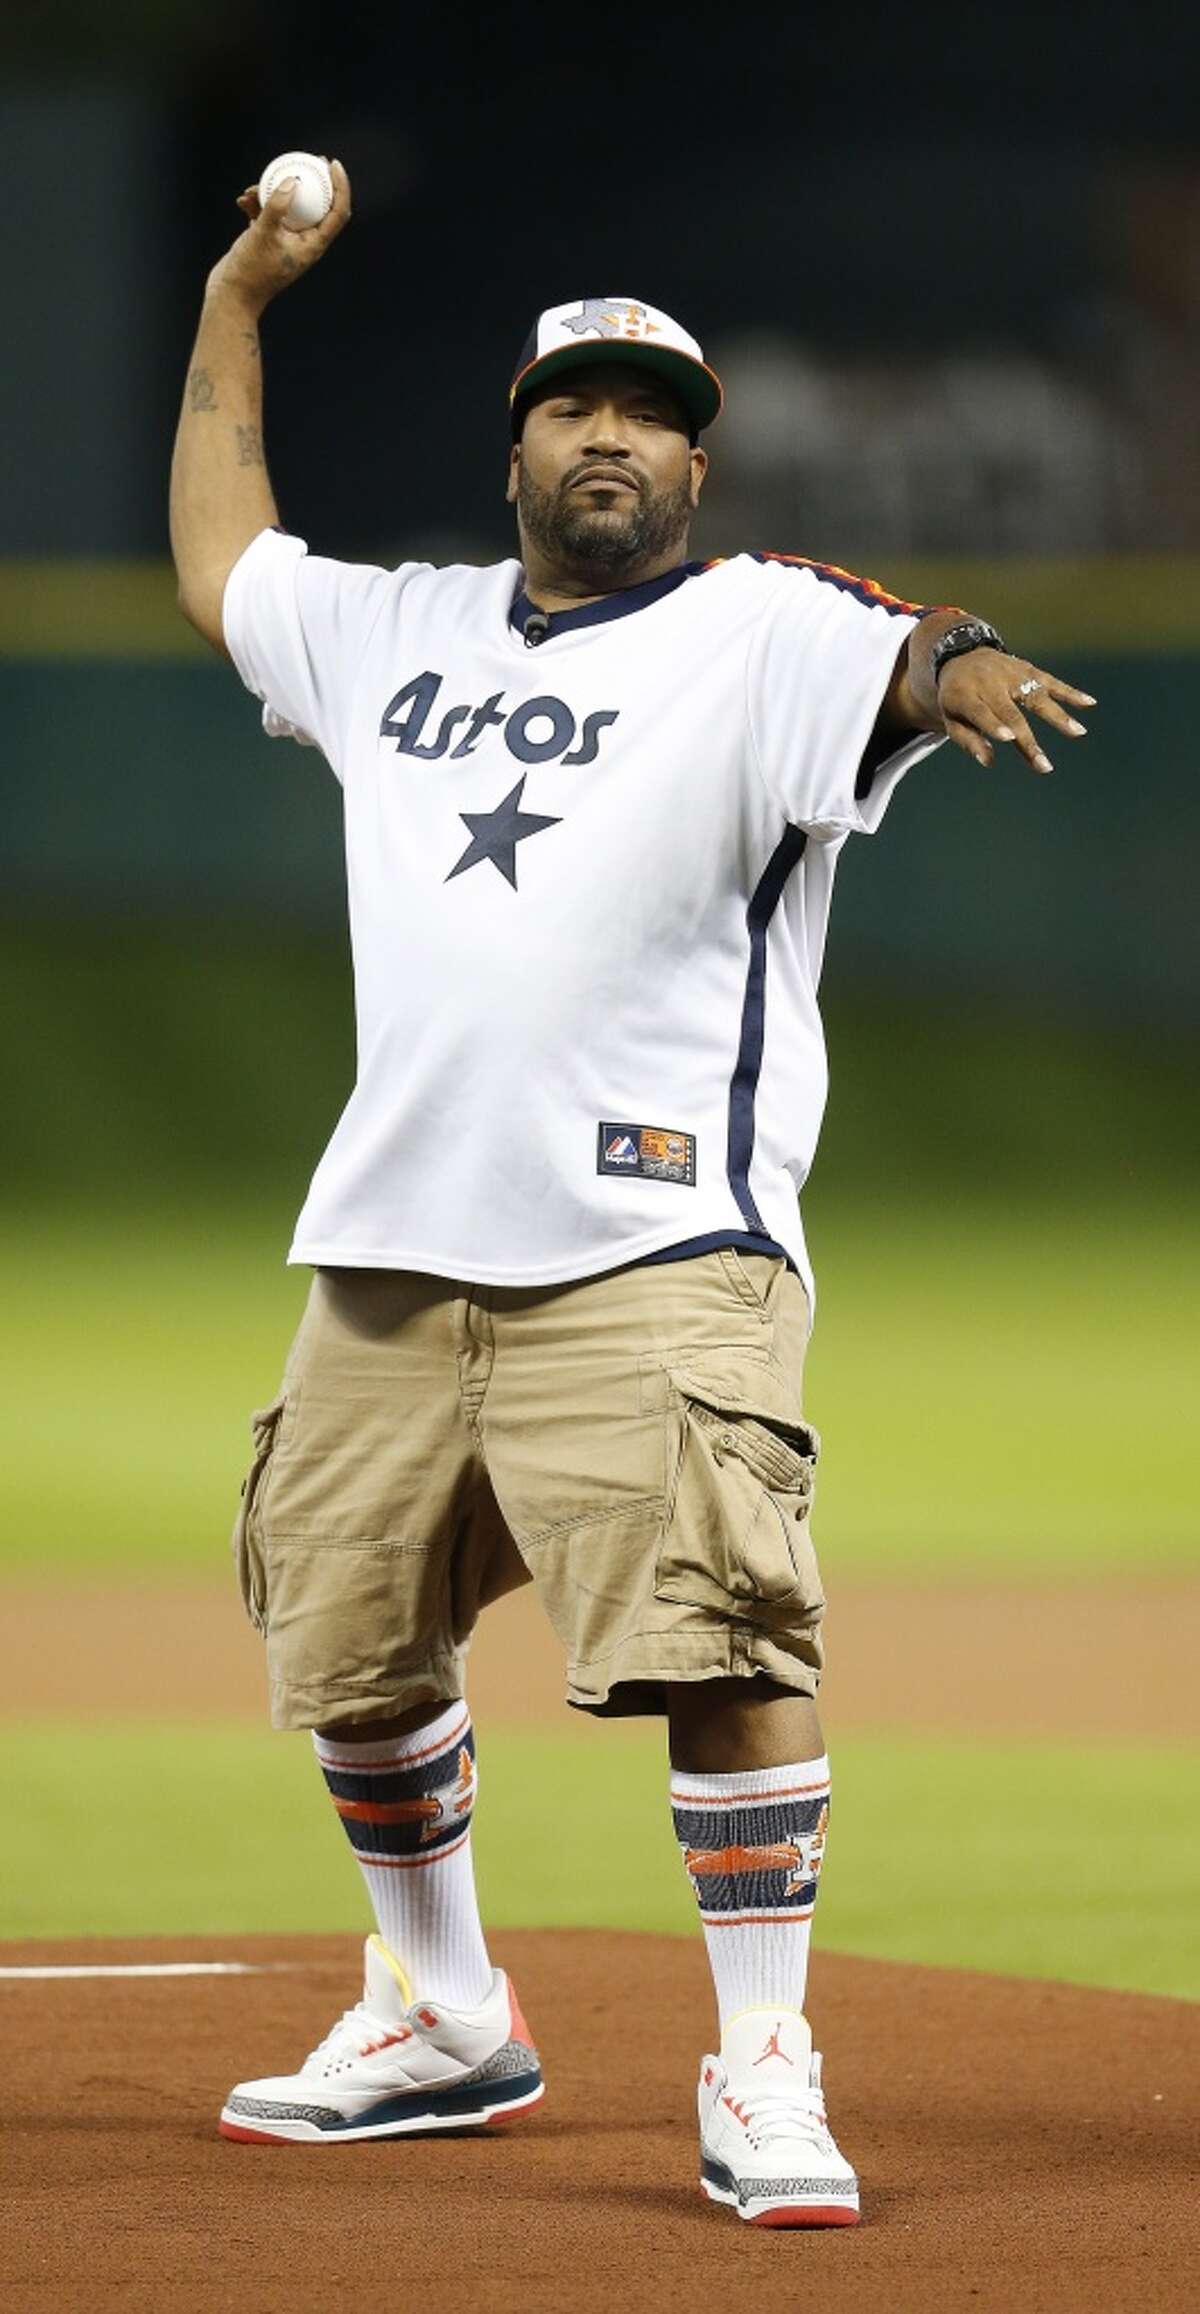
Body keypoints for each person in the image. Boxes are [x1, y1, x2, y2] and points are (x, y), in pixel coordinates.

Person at [169, 162, 1094, 2227]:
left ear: (698, 456)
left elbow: (911, 644)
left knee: (725, 1618)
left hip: (659, 1248)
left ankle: (765, 2051)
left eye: (649, 407)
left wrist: (964, 673)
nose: (610, 432)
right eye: (573, 402)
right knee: (349, 1632)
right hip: (393, 1254)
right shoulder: (389, 628)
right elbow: (224, 555)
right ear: (516, 440)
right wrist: (237, 297)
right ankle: (443, 2001)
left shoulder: (760, 628)